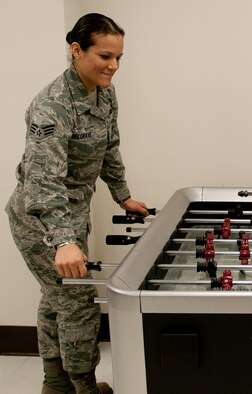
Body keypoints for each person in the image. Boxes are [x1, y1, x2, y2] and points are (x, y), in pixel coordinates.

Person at [5, 13, 148, 394]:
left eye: (119, 57)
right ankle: (83, 387)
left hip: (71, 214)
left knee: (57, 298)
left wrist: (122, 194)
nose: (114, 66)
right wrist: (63, 241)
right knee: (78, 302)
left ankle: (55, 384)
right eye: (104, 56)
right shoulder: (53, 107)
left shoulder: (104, 91)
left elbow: (109, 147)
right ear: (76, 50)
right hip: (40, 221)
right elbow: (43, 182)